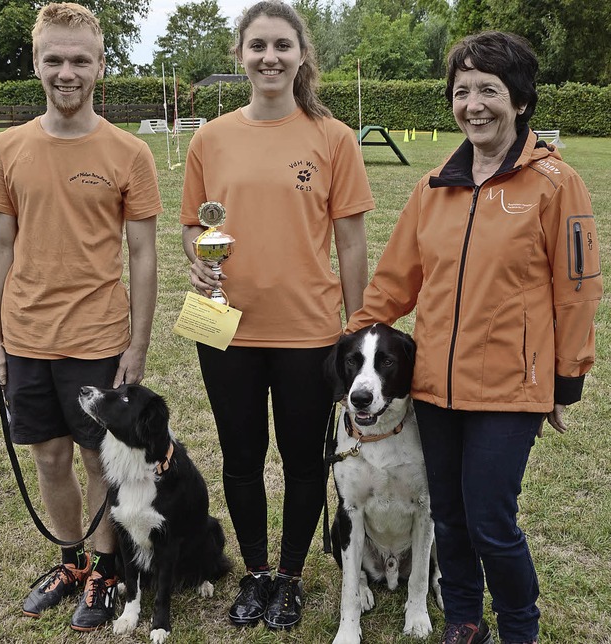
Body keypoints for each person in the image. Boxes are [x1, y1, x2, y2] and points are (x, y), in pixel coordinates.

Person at [346, 31, 602, 644]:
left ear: (518, 100)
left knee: (490, 521)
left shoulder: (554, 183)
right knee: (450, 518)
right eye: (462, 91)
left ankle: (519, 627)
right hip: (433, 387)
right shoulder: (434, 184)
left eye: (489, 89)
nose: (474, 104)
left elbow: (579, 287)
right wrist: (350, 345)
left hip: (511, 391)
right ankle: (462, 619)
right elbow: (394, 280)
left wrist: (567, 379)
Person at [180, 0, 374, 631]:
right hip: (221, 324)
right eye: (257, 46)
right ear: (239, 54)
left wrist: (358, 323)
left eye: (282, 46)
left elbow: (350, 241)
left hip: (307, 329)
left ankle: (290, 577)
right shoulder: (211, 137)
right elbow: (192, 226)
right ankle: (256, 573)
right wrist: (197, 261)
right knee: (240, 455)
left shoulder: (333, 137)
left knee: (301, 459)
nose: (269, 58)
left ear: (300, 56)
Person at [0, 2, 162, 633]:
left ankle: (109, 571)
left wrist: (136, 347)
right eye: (53, 59)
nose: (66, 71)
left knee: (95, 461)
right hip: (26, 337)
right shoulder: (6, 148)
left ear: (101, 65)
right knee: (50, 459)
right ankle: (71, 560)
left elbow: (141, 254)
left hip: (96, 337)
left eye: (79, 59)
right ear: (36, 64)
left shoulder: (128, 152)